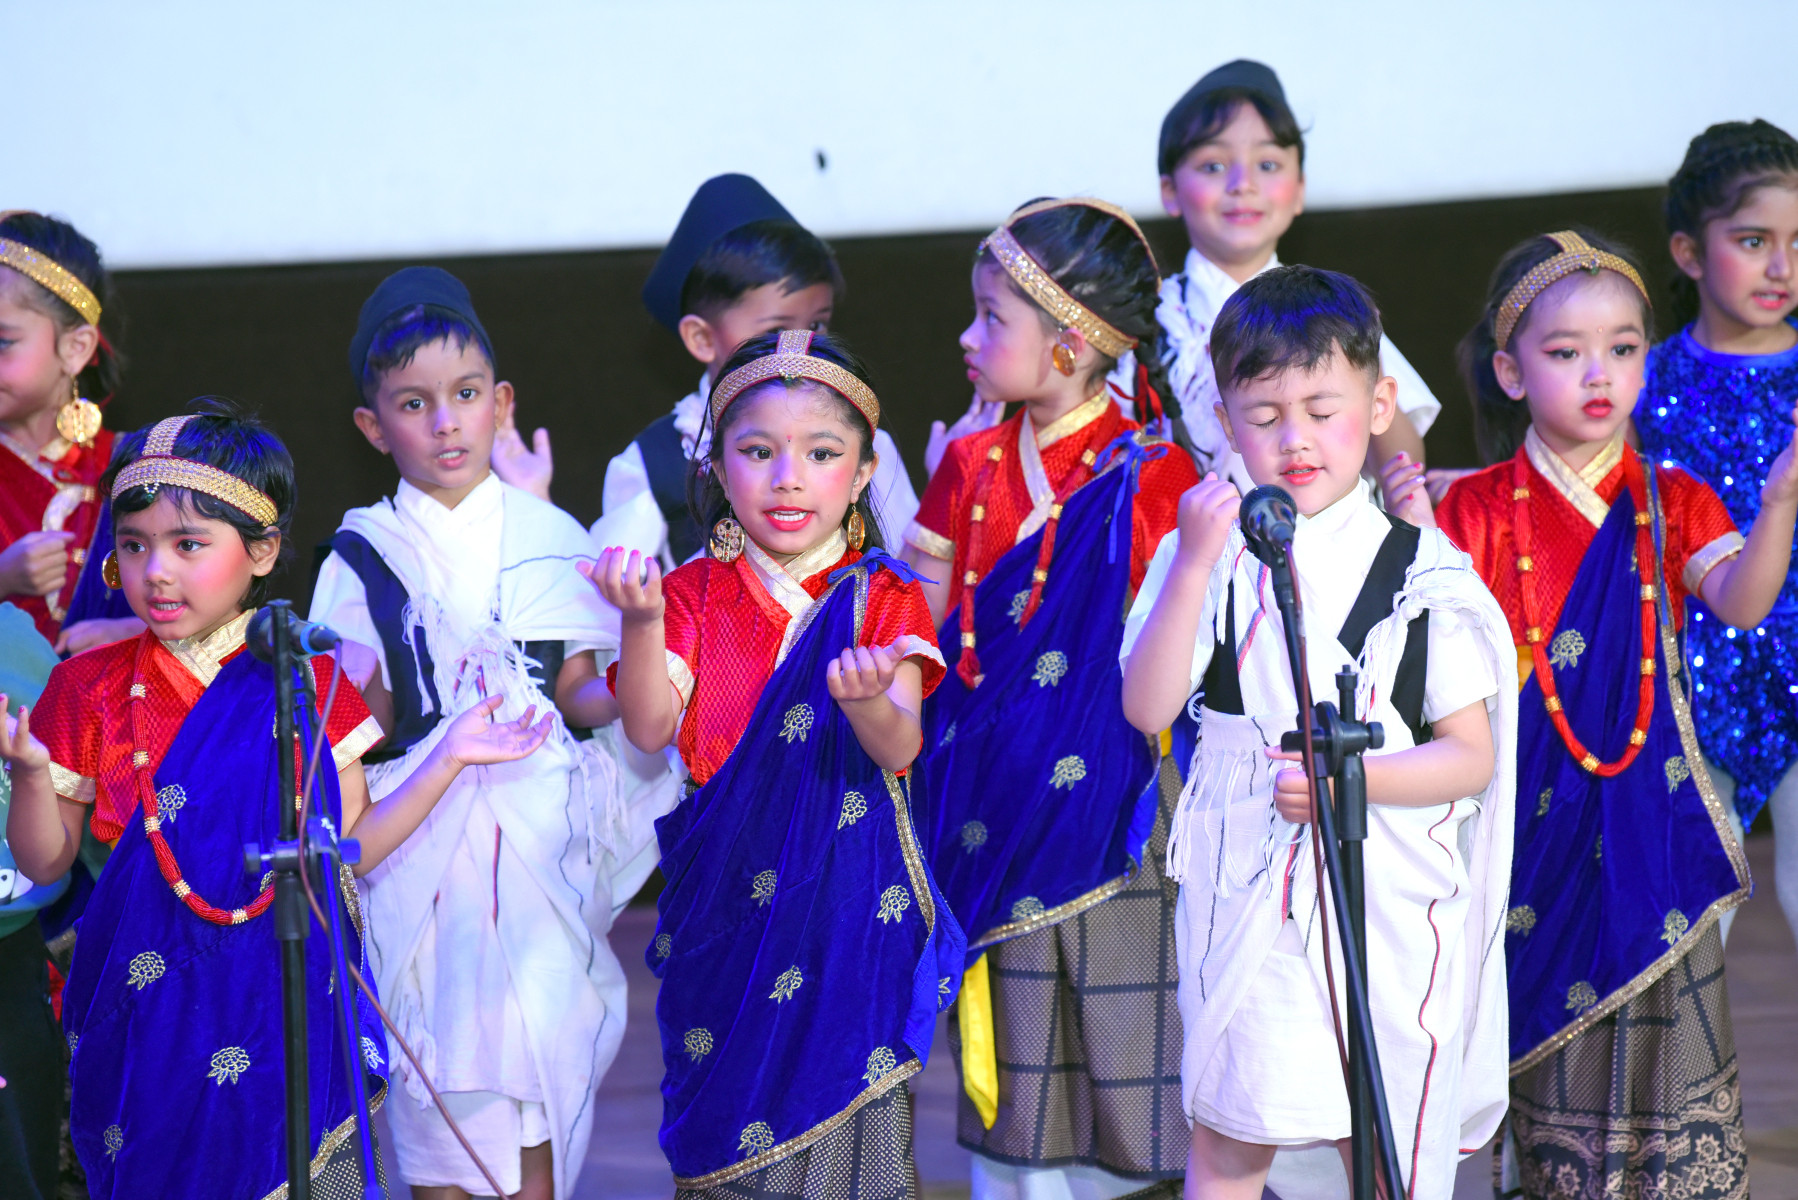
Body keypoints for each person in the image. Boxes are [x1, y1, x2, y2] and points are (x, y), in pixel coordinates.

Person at [0, 400, 554, 1199]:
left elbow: (352, 841)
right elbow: (44, 861)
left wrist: (448, 757)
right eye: (133, 544)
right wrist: (27, 774)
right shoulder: (87, 686)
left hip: (283, 990)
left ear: (260, 550)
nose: (156, 570)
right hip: (148, 1008)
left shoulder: (307, 679)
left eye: (188, 544)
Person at [1122, 266, 1516, 1200]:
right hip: (1251, 887)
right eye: (1263, 416)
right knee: (1232, 1135)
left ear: (1379, 406)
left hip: (1391, 891)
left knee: (1383, 1143)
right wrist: (1192, 565)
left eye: (1321, 410)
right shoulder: (1205, 555)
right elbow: (1147, 708)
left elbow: (1470, 756)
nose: (1293, 438)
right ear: (1225, 422)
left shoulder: (1425, 570)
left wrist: (1356, 783)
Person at [1436, 229, 1797, 1200]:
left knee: (1662, 1031)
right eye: (1566, 352)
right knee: (1542, 1034)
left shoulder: (1672, 498)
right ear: (1509, 372)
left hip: (1651, 823)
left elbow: (1742, 604)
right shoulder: (1470, 510)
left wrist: (1778, 503)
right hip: (1522, 826)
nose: (1599, 373)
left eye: (1624, 348)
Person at [308, 267, 676, 1200]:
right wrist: (378, 697)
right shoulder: (362, 555)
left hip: (539, 833)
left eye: (466, 396)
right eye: (414, 404)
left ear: (500, 403)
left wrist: (644, 656)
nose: (446, 423)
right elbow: (360, 721)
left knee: (538, 1070)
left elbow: (581, 692)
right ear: (372, 427)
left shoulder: (554, 535)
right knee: (438, 1076)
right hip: (422, 843)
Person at [590, 328, 962, 1198]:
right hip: (725, 918)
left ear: (863, 474)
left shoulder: (885, 594)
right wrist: (640, 622)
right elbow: (648, 728)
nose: (788, 477)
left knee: (850, 1131)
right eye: (758, 452)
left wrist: (869, 703)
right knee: (727, 1139)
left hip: (847, 917)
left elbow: (902, 746)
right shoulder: (689, 594)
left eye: (821, 454)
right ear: (718, 468)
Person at [901, 197, 1199, 1199]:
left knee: (1128, 1031)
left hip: (1117, 809)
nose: (967, 336)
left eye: (992, 317)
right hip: (987, 807)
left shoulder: (1154, 474)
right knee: (1019, 1058)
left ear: (1068, 342)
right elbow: (923, 629)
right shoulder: (966, 464)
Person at [1112, 60, 1439, 521]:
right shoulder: (1141, 321)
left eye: (1267, 165)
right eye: (1213, 165)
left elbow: (1401, 462)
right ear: (1169, 190)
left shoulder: (1329, 310)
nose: (1242, 185)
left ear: (1300, 188)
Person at [568, 173, 919, 569]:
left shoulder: (863, 443)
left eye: (817, 324)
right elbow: (613, 592)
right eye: (774, 330)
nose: (799, 344)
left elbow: (905, 571)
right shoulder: (654, 462)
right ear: (702, 338)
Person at [1636, 119, 1798, 951]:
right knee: (1693, 915)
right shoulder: (1642, 377)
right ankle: (1686, 1046)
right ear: (1690, 252)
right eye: (1754, 240)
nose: (1782, 267)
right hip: (1688, 681)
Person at [0, 211, 143, 654]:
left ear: (76, 348)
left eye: (3, 342)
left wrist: (137, 635)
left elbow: (215, 613)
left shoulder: (138, 467)